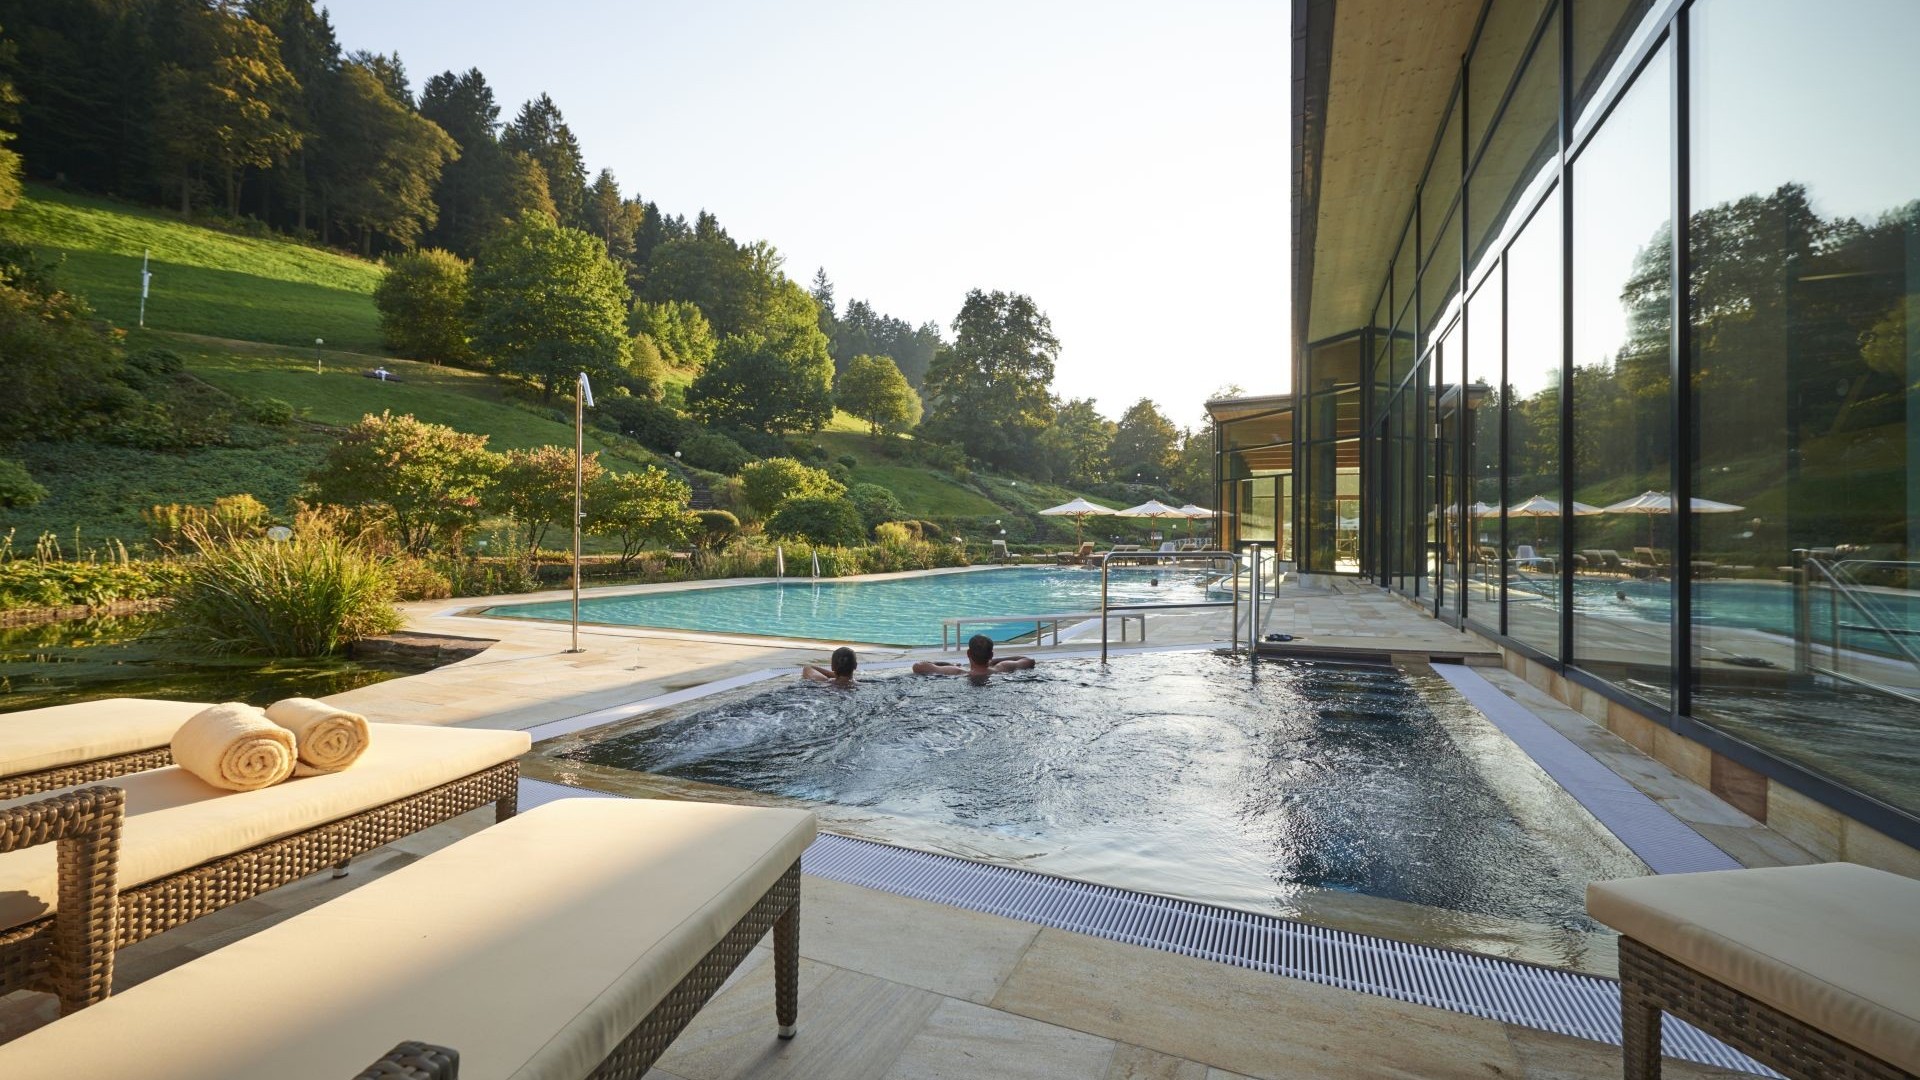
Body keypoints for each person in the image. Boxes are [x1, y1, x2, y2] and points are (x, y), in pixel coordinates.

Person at [913, 634, 1035, 684]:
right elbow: (1028, 660)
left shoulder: (955, 671)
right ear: (991, 655)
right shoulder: (1004, 667)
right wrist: (995, 661)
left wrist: (948, 663)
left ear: (968, 654)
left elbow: (917, 666)